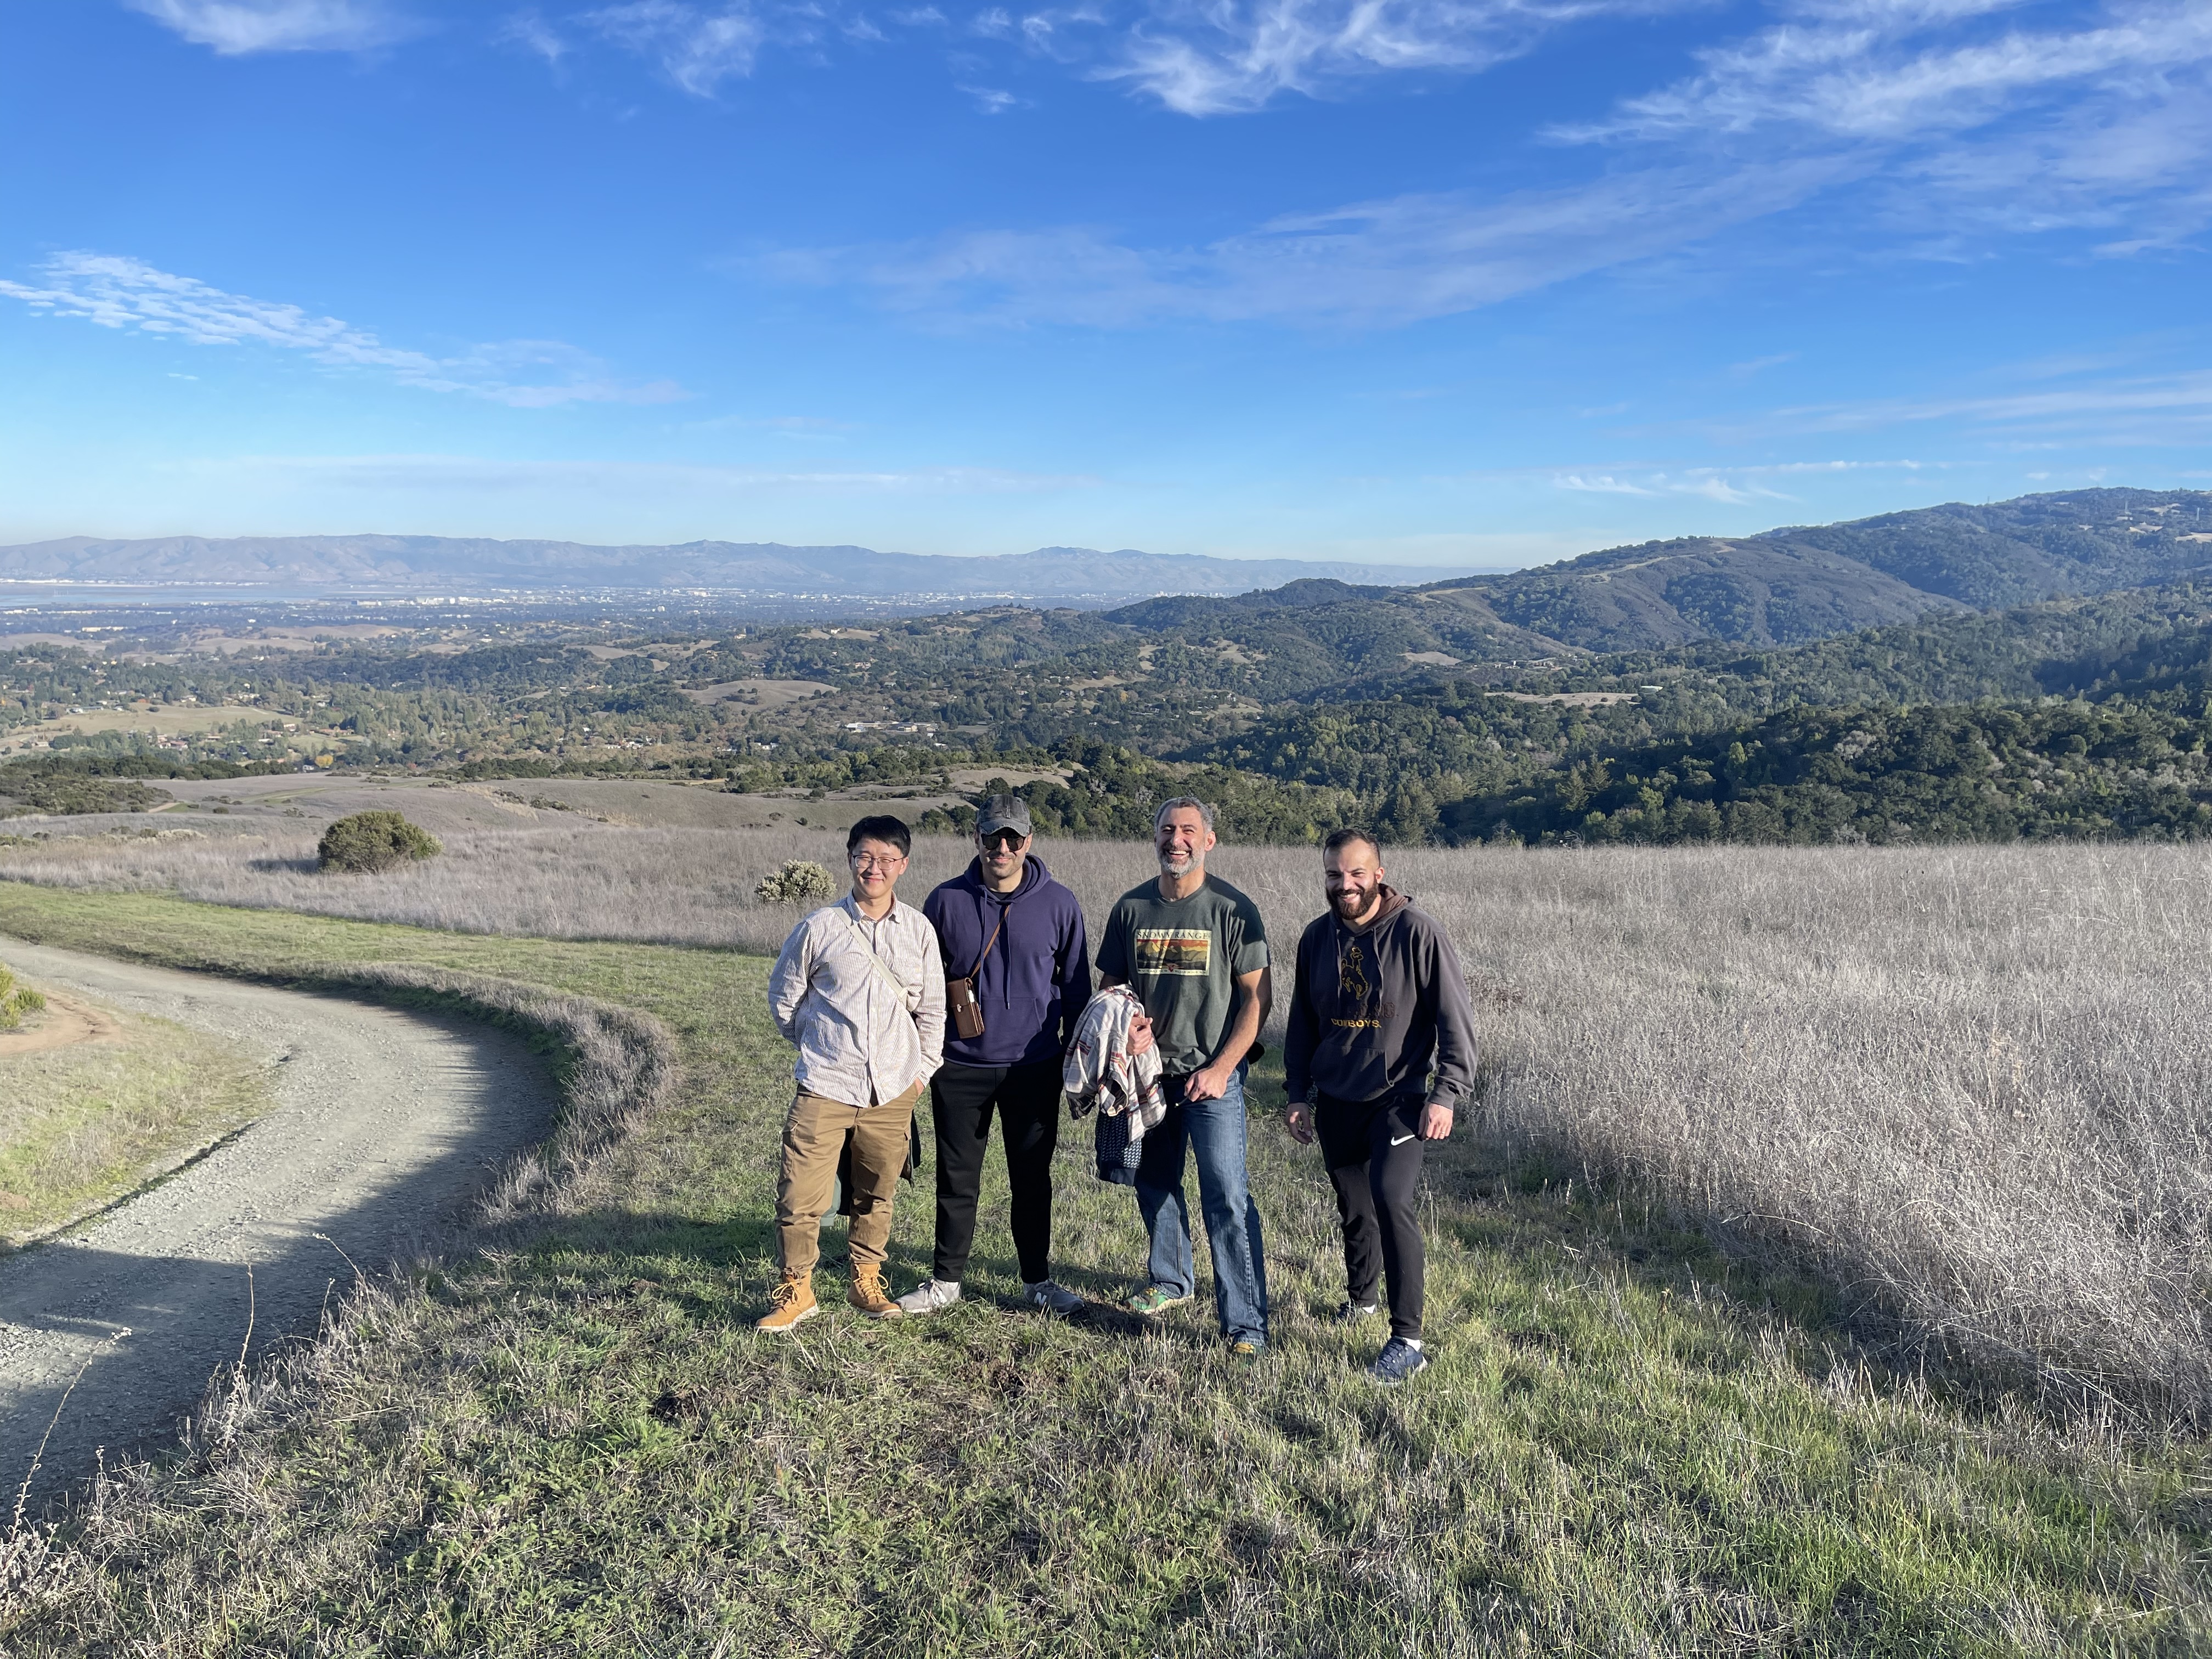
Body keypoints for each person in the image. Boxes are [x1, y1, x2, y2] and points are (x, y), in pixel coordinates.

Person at [1283, 828, 1476, 1385]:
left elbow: (1454, 1021)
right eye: (1333, 875)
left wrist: (1447, 1093)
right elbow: (1302, 1023)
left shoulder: (1418, 932)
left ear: (1379, 873)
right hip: (1336, 1096)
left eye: (1356, 873)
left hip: (1401, 1097)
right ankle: (1361, 1299)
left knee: (1392, 1201)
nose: (1344, 884)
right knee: (1354, 1204)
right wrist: (1298, 1092)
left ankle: (1408, 1338)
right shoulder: (1316, 939)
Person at [899, 795, 1093, 1317]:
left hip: (1034, 1067)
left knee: (1032, 1178)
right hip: (960, 1067)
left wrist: (1078, 1067)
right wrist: (922, 1058)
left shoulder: (1060, 903)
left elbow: (1076, 991)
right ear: (976, 838)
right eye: (991, 837)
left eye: (1012, 838)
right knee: (956, 1178)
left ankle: (1038, 1282)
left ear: (1029, 841)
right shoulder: (944, 901)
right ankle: (945, 1283)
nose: (1001, 848)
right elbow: (920, 985)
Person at [1095, 797, 1272, 1361]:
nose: (1178, 839)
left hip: (1211, 1081)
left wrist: (1222, 1070)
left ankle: (1245, 1325)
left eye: (1189, 830)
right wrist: (1127, 1029)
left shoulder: (1231, 908)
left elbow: (1258, 999)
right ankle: (1170, 1282)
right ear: (1155, 837)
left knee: (1226, 1195)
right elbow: (1110, 990)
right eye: (1168, 829)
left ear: (1209, 841)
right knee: (1154, 1184)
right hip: (1149, 1079)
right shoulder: (1131, 909)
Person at [759, 814, 945, 1332]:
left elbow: (933, 1012)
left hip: (892, 1090)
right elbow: (783, 997)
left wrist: (919, 1076)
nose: (875, 868)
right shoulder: (820, 927)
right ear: (850, 858)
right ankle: (796, 1290)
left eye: (887, 859)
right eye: (866, 856)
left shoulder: (919, 931)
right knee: (799, 1195)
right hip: (825, 1086)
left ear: (903, 866)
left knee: (876, 1192)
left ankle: (867, 1280)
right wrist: (819, 1049)